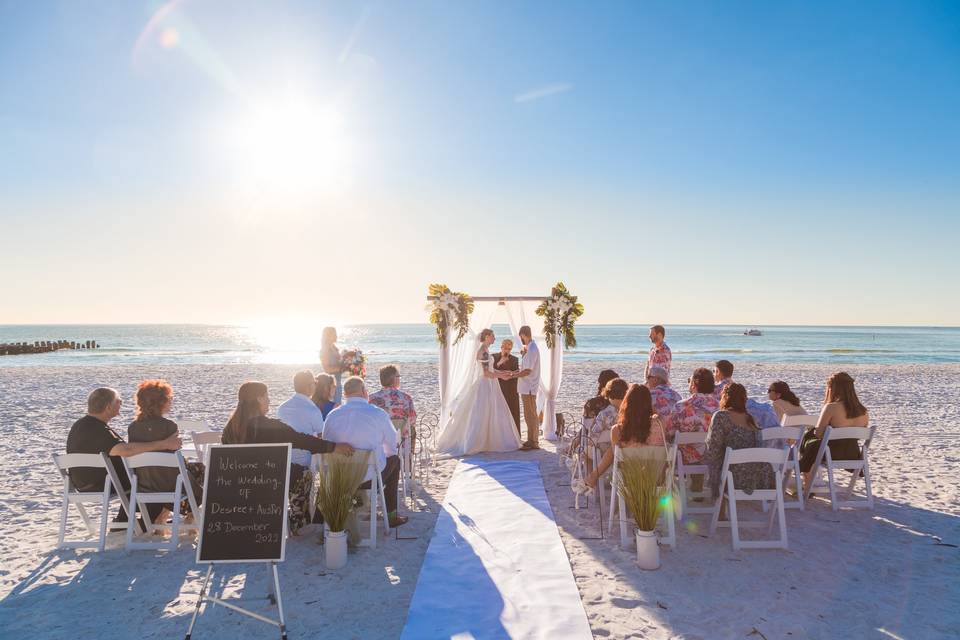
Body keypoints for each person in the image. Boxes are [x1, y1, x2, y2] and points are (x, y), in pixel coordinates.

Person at [222, 381, 354, 533]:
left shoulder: (230, 428)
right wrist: (334, 447)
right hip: (270, 481)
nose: (269, 400)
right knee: (304, 475)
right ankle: (298, 523)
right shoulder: (269, 427)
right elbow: (302, 440)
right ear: (259, 399)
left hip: (238, 484)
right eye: (266, 396)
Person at [66, 387, 182, 523]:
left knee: (141, 474)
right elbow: (126, 450)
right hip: (104, 483)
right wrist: (164, 444)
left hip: (82, 484)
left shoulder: (80, 425)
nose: (121, 403)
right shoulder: (98, 430)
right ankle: (149, 522)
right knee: (152, 477)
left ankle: (125, 520)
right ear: (108, 407)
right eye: (118, 401)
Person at [322, 377, 408, 528]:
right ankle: (391, 515)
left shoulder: (332, 415)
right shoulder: (378, 414)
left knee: (388, 459)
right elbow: (392, 446)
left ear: (346, 394)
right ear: (363, 391)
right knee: (395, 460)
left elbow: (326, 444)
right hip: (368, 479)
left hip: (338, 477)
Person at [436, 328, 523, 456]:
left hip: (491, 384)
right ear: (487, 336)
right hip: (485, 384)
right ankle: (478, 442)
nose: (494, 338)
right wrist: (501, 376)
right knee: (481, 412)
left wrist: (504, 373)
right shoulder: (483, 352)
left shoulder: (486, 351)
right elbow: (487, 373)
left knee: (493, 411)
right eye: (493, 336)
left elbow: (492, 370)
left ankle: (489, 441)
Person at [127, 379, 204, 520]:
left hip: (145, 483)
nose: (171, 402)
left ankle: (162, 517)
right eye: (170, 399)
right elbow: (173, 456)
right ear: (162, 403)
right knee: (200, 470)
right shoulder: (169, 426)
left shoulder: (133, 427)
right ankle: (191, 516)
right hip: (170, 484)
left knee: (190, 469)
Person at [573, 384, 667, 496]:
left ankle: (592, 477)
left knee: (614, 451)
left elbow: (616, 461)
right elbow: (657, 414)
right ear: (649, 403)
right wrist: (650, 409)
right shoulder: (661, 423)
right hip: (656, 479)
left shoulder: (618, 430)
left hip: (629, 482)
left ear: (627, 403)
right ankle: (592, 477)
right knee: (614, 451)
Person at [704, 383, 774, 516]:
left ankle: (721, 511)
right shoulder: (751, 419)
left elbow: (713, 449)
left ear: (725, 397)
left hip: (733, 479)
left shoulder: (721, 416)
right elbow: (759, 448)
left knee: (717, 460)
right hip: (758, 478)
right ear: (744, 400)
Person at [799, 372, 870, 485]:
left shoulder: (831, 407)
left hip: (831, 454)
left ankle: (807, 480)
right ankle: (807, 477)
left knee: (809, 440)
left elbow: (819, 434)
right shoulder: (863, 411)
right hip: (852, 454)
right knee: (812, 444)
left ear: (833, 388)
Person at [669, 368, 720, 465]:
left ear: (693, 385)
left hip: (684, 460)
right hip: (710, 458)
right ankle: (698, 479)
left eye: (690, 380)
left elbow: (670, 431)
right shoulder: (719, 407)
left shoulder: (680, 406)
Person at [276, 370, 326, 469]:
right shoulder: (312, 410)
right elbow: (322, 436)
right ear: (309, 386)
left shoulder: (282, 407)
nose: (316, 386)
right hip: (303, 463)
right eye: (314, 383)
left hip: (284, 461)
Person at [582, 378, 629, 476]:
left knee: (585, 454)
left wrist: (590, 442)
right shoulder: (629, 412)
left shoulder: (604, 413)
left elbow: (594, 435)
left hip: (604, 450)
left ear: (608, 395)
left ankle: (591, 480)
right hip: (625, 448)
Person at [369, 364, 418, 457]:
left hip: (380, 444)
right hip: (401, 444)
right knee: (412, 430)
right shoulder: (406, 398)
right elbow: (412, 420)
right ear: (394, 379)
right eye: (398, 376)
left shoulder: (371, 398)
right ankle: (409, 458)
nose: (399, 379)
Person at [515, 325, 542, 451]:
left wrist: (514, 375)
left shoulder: (532, 350)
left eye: (521, 336)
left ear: (523, 335)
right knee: (528, 414)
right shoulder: (529, 348)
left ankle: (534, 441)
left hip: (529, 387)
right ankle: (531, 439)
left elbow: (527, 371)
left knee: (531, 415)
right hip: (526, 387)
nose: (521, 339)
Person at [492, 339, 521, 434]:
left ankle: (514, 434)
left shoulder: (514, 359)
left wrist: (511, 373)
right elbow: (490, 371)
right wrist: (501, 362)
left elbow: (517, 372)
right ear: (501, 347)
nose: (507, 350)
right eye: (505, 348)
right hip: (497, 388)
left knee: (512, 412)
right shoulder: (494, 357)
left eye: (509, 349)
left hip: (511, 389)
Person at [320, 327, 344, 406]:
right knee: (333, 406)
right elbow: (327, 369)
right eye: (334, 334)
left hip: (338, 381)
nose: (336, 336)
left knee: (338, 404)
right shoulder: (325, 349)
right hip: (330, 384)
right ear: (328, 336)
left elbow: (339, 364)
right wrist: (342, 367)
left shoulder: (334, 348)